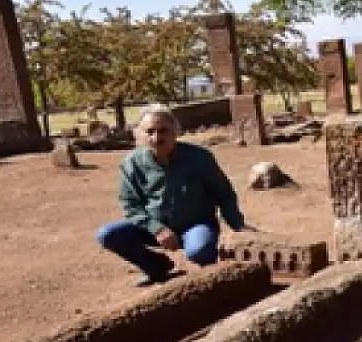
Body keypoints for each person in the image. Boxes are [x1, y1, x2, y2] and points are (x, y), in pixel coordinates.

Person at [96, 105, 248, 285]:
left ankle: (213, 281)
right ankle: (156, 267)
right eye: (149, 132)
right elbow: (131, 205)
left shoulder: (199, 158)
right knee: (108, 234)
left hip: (195, 224)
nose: (156, 137)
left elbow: (224, 194)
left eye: (163, 131)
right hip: (153, 227)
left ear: (176, 131)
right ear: (139, 134)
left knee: (199, 251)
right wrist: (157, 228)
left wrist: (238, 226)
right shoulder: (131, 164)